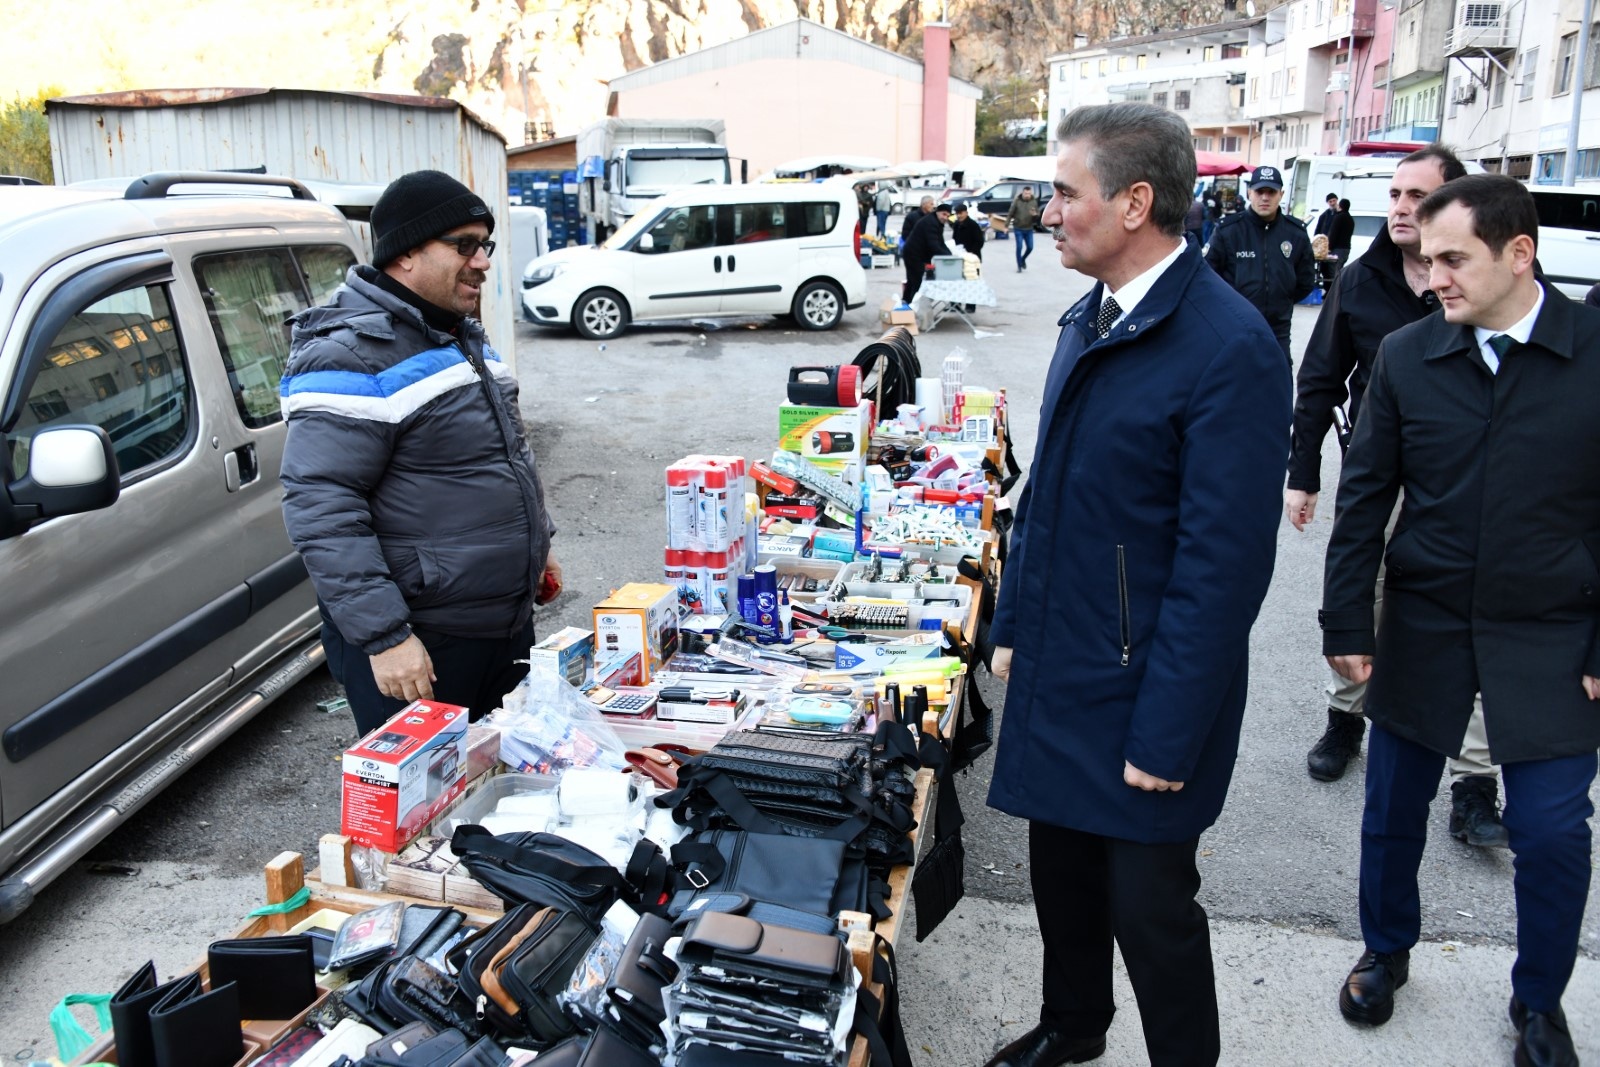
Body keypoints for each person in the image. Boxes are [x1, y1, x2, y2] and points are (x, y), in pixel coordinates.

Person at [981, 102, 1291, 1067]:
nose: (1048, 210)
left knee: (1150, 905)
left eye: (1067, 192)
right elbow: (1047, 496)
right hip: (1068, 661)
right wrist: (1014, 618)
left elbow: (1222, 569)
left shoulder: (1229, 347)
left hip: (1149, 681)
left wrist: (1167, 733)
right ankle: (1074, 1027)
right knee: (1061, 871)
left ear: (1135, 203)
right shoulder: (1093, 314)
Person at [1321, 174, 1600, 1067]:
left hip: (1553, 629)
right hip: (1427, 619)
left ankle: (1540, 1001)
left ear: (1520, 254)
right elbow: (1363, 500)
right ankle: (1385, 950)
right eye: (1427, 257)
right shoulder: (1408, 356)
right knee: (1393, 804)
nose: (1432, 274)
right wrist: (1346, 623)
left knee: (1554, 831)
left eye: (1452, 259)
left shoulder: (1595, 350)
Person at [280, 170, 560, 736]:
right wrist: (386, 638)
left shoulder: (459, 335)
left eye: (485, 245)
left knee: (495, 794)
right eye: (464, 246)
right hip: (423, 644)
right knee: (422, 817)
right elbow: (322, 508)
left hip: (496, 625)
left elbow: (506, 455)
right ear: (405, 254)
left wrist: (538, 546)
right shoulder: (350, 355)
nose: (482, 261)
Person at [1284, 145, 1507, 848]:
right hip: (1377, 476)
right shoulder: (1364, 277)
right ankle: (1346, 716)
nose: (1402, 207)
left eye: (1419, 195)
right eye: (1397, 193)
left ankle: (1474, 783)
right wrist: (1303, 471)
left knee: (1475, 623)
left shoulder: (1481, 277)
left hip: (1467, 482)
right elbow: (1321, 376)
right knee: (1365, 597)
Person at [1205, 164, 1316, 361]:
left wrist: (1281, 297)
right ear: (1249, 193)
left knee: (1279, 387)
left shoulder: (1295, 233)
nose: (1265, 197)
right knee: (1235, 386)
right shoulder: (1229, 231)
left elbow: (1306, 280)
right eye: (1259, 191)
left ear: (1281, 194)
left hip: (1278, 329)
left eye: (1271, 192)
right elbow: (1209, 276)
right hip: (1235, 326)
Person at [902, 200, 952, 305]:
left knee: (912, 281)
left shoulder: (937, 222)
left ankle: (906, 303)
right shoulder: (931, 223)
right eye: (944, 214)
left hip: (917, 254)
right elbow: (933, 245)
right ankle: (912, 307)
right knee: (916, 282)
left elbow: (940, 242)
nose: (945, 218)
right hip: (914, 254)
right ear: (937, 212)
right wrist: (948, 257)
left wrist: (950, 254)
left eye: (948, 216)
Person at [1007, 185, 1039, 271]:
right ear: (1023, 193)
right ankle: (1019, 266)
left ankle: (1023, 259)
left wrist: (1035, 215)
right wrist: (1006, 226)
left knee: (1030, 247)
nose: (1027, 195)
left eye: (1029, 193)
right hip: (1018, 228)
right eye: (1025, 193)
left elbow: (1037, 215)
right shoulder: (1017, 201)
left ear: (1031, 193)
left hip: (1029, 228)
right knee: (1019, 247)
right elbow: (1010, 213)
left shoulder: (1033, 202)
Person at [1326, 197, 1355, 284]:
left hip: (1337, 250)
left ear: (1340, 206)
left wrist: (1329, 247)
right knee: (1339, 270)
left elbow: (1333, 234)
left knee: (1334, 274)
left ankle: (1335, 294)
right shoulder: (1350, 219)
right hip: (1346, 249)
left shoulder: (1338, 217)